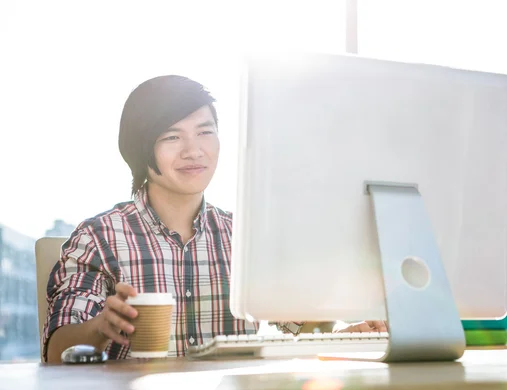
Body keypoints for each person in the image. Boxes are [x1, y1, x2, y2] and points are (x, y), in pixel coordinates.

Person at [43, 75, 386, 363]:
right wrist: (101, 327)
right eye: (172, 136)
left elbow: (304, 324)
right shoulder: (98, 237)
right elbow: (56, 351)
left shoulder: (244, 235)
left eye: (205, 132)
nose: (194, 150)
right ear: (139, 148)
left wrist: (346, 333)